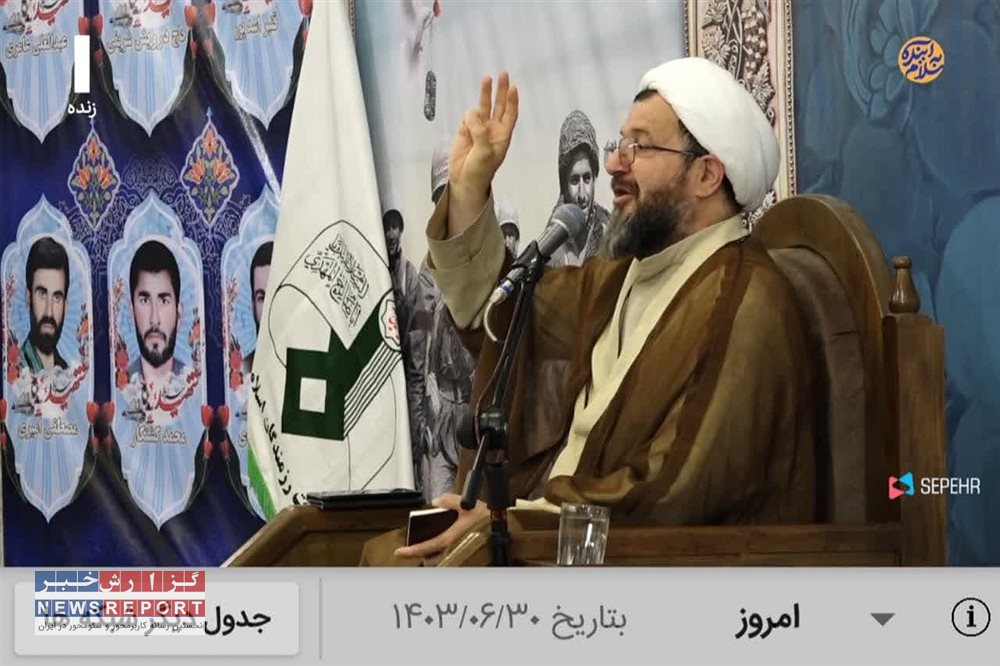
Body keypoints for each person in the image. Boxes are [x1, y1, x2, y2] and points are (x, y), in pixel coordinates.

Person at [387, 58, 815, 564]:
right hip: (559, 543)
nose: (614, 164)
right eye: (620, 144)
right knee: (385, 557)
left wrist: (510, 522)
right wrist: (467, 189)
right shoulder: (619, 280)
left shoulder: (746, 302)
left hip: (643, 569)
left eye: (640, 147)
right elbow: (502, 316)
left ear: (705, 174)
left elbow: (668, 493)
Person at [548, 110, 611, 267]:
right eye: (574, 180)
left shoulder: (609, 231)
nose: (582, 194)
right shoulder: (551, 243)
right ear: (564, 185)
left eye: (587, 178)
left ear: (594, 178)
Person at [128, 240, 186, 388]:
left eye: (164, 301)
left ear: (179, 315)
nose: (154, 320)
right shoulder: (122, 385)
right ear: (132, 312)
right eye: (145, 300)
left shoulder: (192, 383)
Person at [21, 237, 70, 373]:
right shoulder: (17, 369)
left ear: (65, 305)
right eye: (42, 294)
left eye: (57, 297)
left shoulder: (67, 372)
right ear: (28, 298)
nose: (49, 312)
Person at [244, 241, 272, 374]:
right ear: (253, 305)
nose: (269, 307)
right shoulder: (244, 369)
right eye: (261, 298)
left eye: (274, 294)